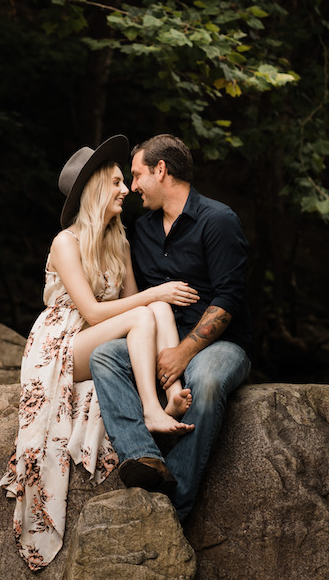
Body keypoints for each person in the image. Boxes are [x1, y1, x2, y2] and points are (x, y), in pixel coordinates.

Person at [0, 135, 200, 570]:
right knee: (150, 306)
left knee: (156, 307)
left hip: (100, 336)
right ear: (94, 190)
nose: (125, 188)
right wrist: (154, 294)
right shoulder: (65, 243)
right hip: (61, 344)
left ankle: (171, 395)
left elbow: (135, 303)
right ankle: (150, 410)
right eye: (115, 182)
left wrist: (156, 297)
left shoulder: (118, 241)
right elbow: (91, 310)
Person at [89, 134, 252, 520]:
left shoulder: (218, 220)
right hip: (158, 339)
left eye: (137, 175)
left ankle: (172, 508)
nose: (132, 187)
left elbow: (229, 299)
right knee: (104, 357)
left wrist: (183, 353)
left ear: (161, 171)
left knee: (206, 383)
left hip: (219, 345)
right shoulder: (142, 230)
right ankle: (143, 457)